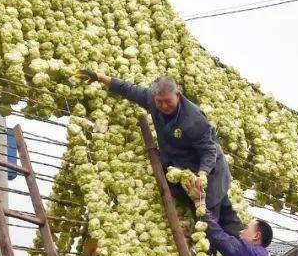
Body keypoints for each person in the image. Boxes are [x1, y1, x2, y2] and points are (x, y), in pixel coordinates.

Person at [78, 70, 242, 235]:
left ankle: (220, 255)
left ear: (177, 95)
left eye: (168, 101)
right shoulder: (152, 99)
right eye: (159, 102)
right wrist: (99, 77)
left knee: (208, 220)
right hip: (182, 167)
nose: (163, 106)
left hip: (210, 174)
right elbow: (129, 90)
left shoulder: (194, 119)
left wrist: (202, 174)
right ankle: (242, 243)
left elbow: (208, 150)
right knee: (225, 214)